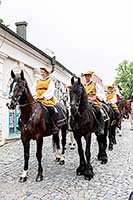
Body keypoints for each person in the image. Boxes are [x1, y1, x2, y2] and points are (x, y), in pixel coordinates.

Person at [32, 66, 58, 134]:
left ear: (47, 73)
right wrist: (34, 95)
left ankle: (53, 126)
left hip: (46, 99)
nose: (42, 73)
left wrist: (43, 96)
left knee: (51, 109)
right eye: (41, 72)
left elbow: (50, 90)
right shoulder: (37, 81)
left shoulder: (50, 81)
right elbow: (33, 88)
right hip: (37, 98)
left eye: (43, 72)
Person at [82, 70, 106, 135]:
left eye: (88, 76)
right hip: (85, 102)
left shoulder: (95, 84)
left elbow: (101, 92)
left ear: (90, 76)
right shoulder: (83, 85)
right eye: (85, 76)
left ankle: (100, 127)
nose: (87, 77)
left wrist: (96, 97)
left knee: (98, 111)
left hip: (94, 101)